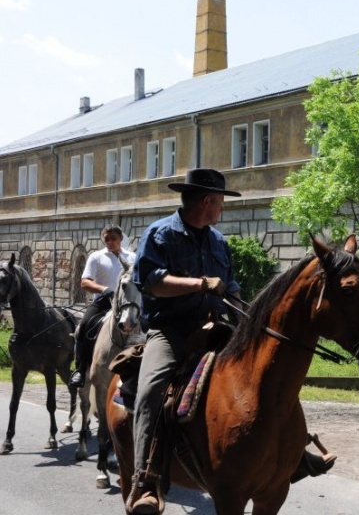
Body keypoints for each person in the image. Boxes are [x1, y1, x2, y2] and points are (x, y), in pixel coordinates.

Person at [126, 168, 334, 514]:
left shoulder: (217, 241)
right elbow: (152, 283)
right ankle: (145, 478)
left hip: (218, 327)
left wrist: (248, 315)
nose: (221, 209)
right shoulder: (160, 235)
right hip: (171, 331)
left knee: (270, 376)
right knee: (151, 389)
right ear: (206, 201)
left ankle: (291, 453)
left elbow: (231, 288)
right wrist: (199, 284)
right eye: (220, 202)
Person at [69, 224, 136, 388]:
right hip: (103, 303)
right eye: (107, 239)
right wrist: (103, 289)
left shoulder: (133, 257)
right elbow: (85, 282)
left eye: (113, 239)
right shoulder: (96, 257)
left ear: (121, 238)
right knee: (83, 326)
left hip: (128, 303)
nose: (110, 242)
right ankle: (80, 368)